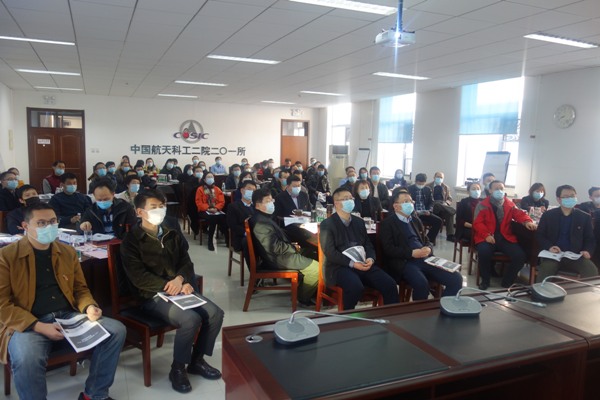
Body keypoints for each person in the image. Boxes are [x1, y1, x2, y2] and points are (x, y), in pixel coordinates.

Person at [0, 203, 126, 400]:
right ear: (25, 226)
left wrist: (89, 306)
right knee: (26, 357)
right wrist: (37, 325)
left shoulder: (67, 252)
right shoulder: (7, 256)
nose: (48, 227)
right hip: (28, 321)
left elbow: (80, 289)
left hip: (67, 316)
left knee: (116, 330)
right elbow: (2, 304)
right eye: (41, 223)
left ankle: (94, 394)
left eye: (52, 222)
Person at [120, 190, 224, 393]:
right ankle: (178, 368)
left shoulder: (171, 233)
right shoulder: (131, 241)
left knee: (215, 313)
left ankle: (197, 360)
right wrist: (170, 286)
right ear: (139, 212)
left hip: (177, 288)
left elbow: (185, 261)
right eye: (153, 207)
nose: (160, 210)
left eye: (162, 206)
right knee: (190, 319)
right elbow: (139, 278)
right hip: (150, 295)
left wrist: (180, 279)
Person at [319, 187, 399, 310]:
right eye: (345, 199)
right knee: (355, 287)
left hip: (363, 263)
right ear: (336, 203)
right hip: (340, 267)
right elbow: (330, 252)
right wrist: (353, 264)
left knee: (390, 284)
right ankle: (348, 317)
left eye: (351, 198)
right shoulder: (327, 224)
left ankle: (390, 316)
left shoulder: (359, 222)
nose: (350, 201)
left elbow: (368, 244)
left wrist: (371, 258)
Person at [380, 190, 463, 300]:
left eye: (411, 201)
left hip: (426, 258)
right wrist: (411, 253)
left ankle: (444, 306)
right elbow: (388, 249)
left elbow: (426, 240)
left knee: (456, 278)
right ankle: (420, 311)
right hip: (405, 262)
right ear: (396, 206)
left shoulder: (415, 220)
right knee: (421, 284)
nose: (410, 204)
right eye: (405, 201)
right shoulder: (387, 223)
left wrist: (428, 248)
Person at [250, 189, 319, 305]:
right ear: (258, 205)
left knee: (313, 253)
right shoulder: (260, 223)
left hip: (281, 254)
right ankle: (302, 298)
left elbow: (279, 235)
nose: (272, 203)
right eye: (267, 201)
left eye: (271, 200)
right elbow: (273, 247)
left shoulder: (264, 217)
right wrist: (293, 248)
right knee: (316, 270)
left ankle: (313, 290)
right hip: (278, 258)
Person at [473, 180, 536, 290]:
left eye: (501, 188)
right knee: (484, 252)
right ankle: (485, 280)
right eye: (496, 189)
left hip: (505, 237)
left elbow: (519, 214)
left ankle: (507, 281)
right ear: (490, 190)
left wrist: (527, 221)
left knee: (520, 256)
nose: (499, 191)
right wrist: (486, 235)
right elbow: (478, 223)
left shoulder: (509, 204)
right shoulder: (482, 205)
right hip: (487, 237)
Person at [535, 185, 598, 282]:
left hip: (575, 255)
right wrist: (549, 247)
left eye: (572, 196)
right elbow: (540, 235)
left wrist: (587, 250)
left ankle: (586, 292)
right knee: (546, 269)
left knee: (591, 270)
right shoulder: (548, 215)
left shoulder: (584, 217)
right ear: (558, 199)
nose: (570, 199)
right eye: (566, 196)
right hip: (552, 255)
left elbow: (589, 239)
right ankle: (541, 291)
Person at [195, 172, 228, 251]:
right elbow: (199, 202)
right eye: (208, 177)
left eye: (211, 177)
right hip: (204, 210)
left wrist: (216, 208)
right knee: (213, 218)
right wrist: (208, 208)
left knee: (224, 217)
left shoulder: (217, 189)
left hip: (216, 210)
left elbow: (222, 201)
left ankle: (228, 239)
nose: (210, 179)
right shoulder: (200, 189)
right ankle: (210, 241)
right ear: (204, 179)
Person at [407, 173, 442, 245]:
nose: (421, 185)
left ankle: (428, 240)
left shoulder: (427, 189)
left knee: (438, 221)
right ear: (416, 181)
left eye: (422, 184)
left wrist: (429, 210)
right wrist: (412, 211)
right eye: (419, 184)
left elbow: (431, 202)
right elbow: (406, 203)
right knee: (414, 223)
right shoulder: (409, 189)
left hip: (425, 213)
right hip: (413, 213)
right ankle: (416, 240)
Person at [226, 180, 256, 253]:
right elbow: (232, 225)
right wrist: (247, 233)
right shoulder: (233, 206)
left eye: (254, 190)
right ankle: (252, 261)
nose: (251, 192)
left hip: (256, 234)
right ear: (242, 190)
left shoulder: (256, 206)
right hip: (241, 237)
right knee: (251, 243)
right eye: (249, 189)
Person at [427, 171, 457, 242]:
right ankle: (452, 210)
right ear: (434, 177)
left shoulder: (446, 187)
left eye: (441, 177)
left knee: (449, 213)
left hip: (443, 206)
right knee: (438, 204)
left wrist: (446, 203)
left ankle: (450, 235)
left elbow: (449, 198)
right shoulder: (428, 186)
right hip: (432, 206)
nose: (439, 178)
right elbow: (426, 199)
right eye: (438, 177)